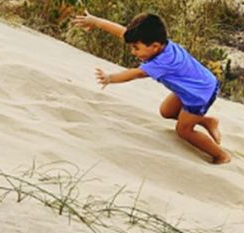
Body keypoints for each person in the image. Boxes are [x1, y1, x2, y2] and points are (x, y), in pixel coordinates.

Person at [71, 11, 231, 165]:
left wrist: (110, 78)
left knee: (183, 131)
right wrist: (96, 22)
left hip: (199, 95)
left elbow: (136, 73)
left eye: (136, 48)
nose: (133, 52)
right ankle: (208, 121)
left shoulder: (162, 62)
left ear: (155, 46)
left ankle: (221, 155)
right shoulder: (160, 44)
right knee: (166, 112)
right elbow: (122, 32)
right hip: (193, 86)